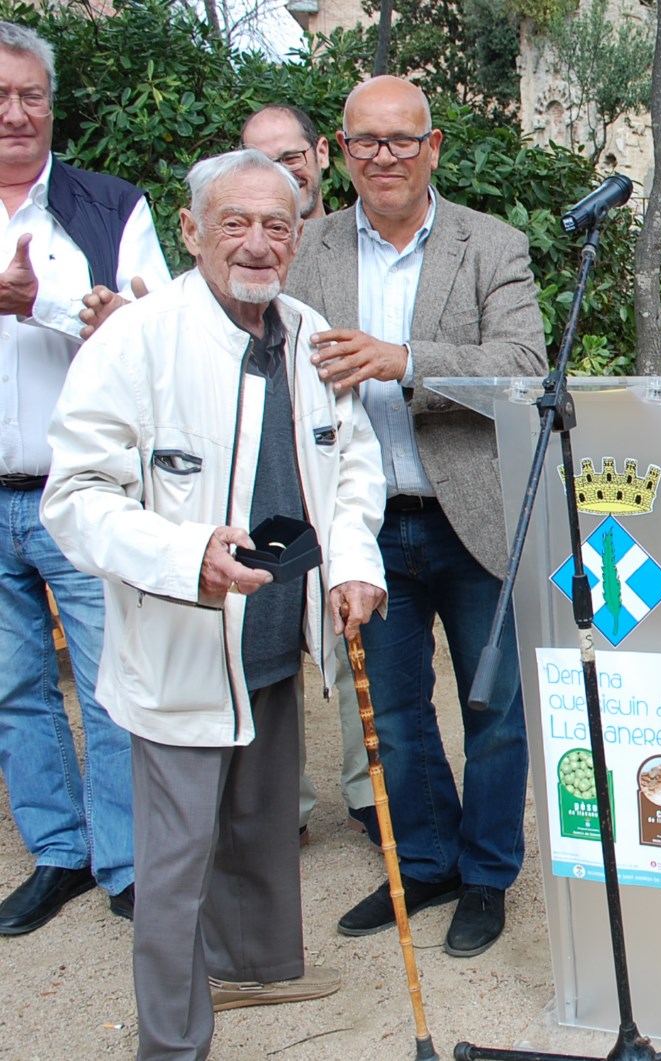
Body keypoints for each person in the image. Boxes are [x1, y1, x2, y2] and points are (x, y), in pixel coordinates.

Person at [41, 148, 387, 1060]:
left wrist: (355, 563)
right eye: (234, 222)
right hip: (182, 645)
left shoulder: (311, 333)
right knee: (175, 866)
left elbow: (351, 466)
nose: (257, 243)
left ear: (301, 233)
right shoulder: (137, 338)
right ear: (190, 231)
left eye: (277, 224)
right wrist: (183, 552)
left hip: (276, 635)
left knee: (258, 830)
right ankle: (172, 1039)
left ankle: (243, 974)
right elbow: (75, 497)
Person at [286, 75, 546, 957]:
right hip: (361, 523)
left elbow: (521, 364)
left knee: (496, 709)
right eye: (366, 141)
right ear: (340, 150)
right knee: (391, 715)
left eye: (402, 140)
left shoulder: (491, 244)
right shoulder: (307, 247)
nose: (385, 157)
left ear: (433, 148)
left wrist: (401, 360)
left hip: (471, 513)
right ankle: (428, 860)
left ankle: (486, 874)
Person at [0, 20, 167, 936]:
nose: (17, 114)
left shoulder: (111, 208)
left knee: (111, 686)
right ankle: (58, 851)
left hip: (82, 494)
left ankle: (128, 860)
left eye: (32, 95)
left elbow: (157, 338)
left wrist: (57, 305)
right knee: (12, 687)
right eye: (0, 97)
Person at [240, 103, 379, 845]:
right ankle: (281, 802)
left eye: (290, 155)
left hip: (350, 469)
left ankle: (366, 789)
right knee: (269, 635)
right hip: (273, 473)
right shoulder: (252, 243)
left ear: (322, 155)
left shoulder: (357, 237)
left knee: (353, 629)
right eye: (259, 159)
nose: (279, 172)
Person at [241, 103, 329, 221]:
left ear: (322, 153)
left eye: (290, 159)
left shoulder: (357, 237)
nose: (282, 176)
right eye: (264, 165)